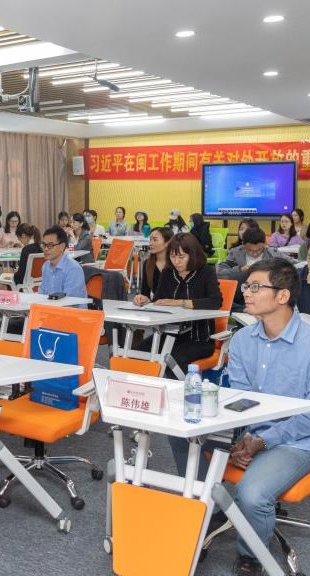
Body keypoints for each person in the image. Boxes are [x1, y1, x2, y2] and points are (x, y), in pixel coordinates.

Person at [168, 259, 310, 576]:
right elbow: (240, 397)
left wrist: (262, 441)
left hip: (297, 440)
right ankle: (213, 507)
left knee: (252, 494)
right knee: (181, 433)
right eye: (247, 286)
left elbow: (308, 415)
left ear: (283, 295)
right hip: (251, 430)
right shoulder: (244, 339)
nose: (246, 292)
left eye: (255, 287)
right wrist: (241, 434)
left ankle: (251, 557)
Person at [134, 233, 222, 375]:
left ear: (192, 255)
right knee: (137, 352)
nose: (176, 261)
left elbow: (215, 301)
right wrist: (147, 301)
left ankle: (178, 388)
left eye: (181, 257)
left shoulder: (206, 272)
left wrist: (178, 303)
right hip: (170, 335)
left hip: (199, 339)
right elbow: (159, 300)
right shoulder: (168, 272)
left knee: (171, 359)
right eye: (173, 256)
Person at [38, 225, 87, 303]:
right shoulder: (46, 266)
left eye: (50, 245)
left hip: (70, 310)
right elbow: (42, 294)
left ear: (62, 246)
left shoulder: (73, 269)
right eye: (44, 245)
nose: (45, 249)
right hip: (50, 307)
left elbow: (70, 302)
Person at [0, 223, 42, 288]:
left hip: (23, 286)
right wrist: (17, 271)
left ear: (23, 235)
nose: (20, 241)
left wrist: (12, 275)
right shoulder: (41, 248)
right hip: (38, 285)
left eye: (19, 239)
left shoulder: (26, 250)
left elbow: (20, 277)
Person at [140, 227, 173, 299]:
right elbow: (145, 293)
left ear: (167, 243)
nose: (150, 243)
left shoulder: (176, 263)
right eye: (150, 240)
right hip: (156, 304)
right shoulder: (147, 264)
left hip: (177, 304)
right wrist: (142, 299)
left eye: (155, 240)